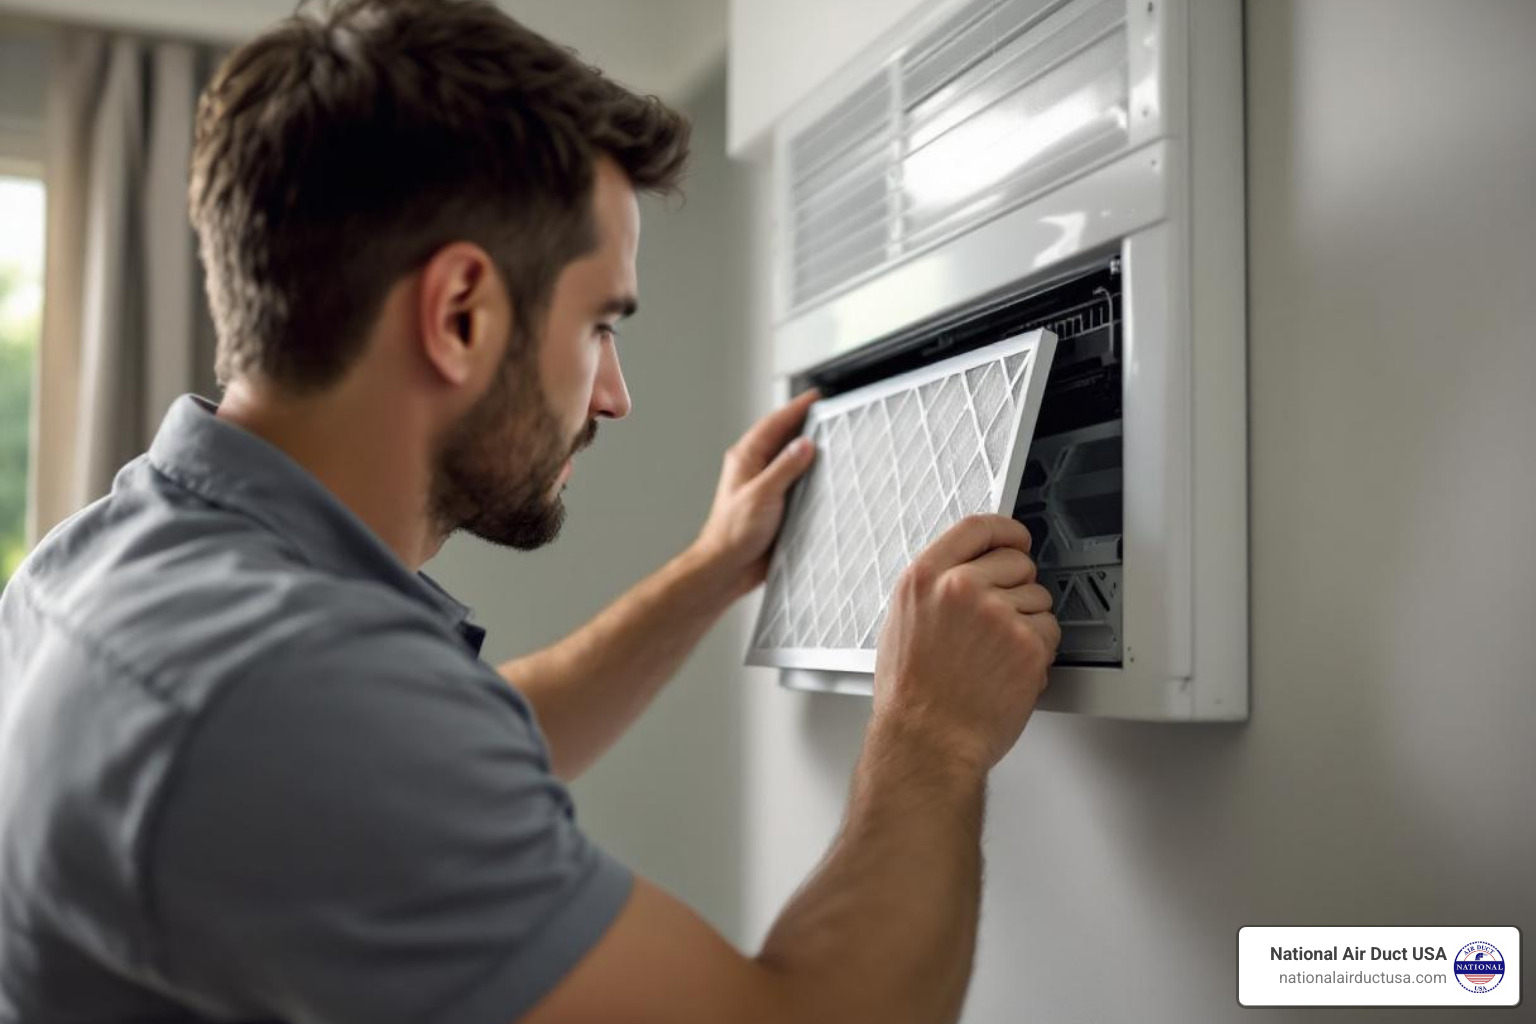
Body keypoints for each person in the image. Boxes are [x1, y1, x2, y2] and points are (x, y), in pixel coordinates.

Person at [0, 0, 1060, 1021]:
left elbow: (445, 746)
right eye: (601, 324)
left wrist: (710, 571)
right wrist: (932, 735)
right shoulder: (278, 694)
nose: (614, 394)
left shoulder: (112, 561)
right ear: (459, 314)